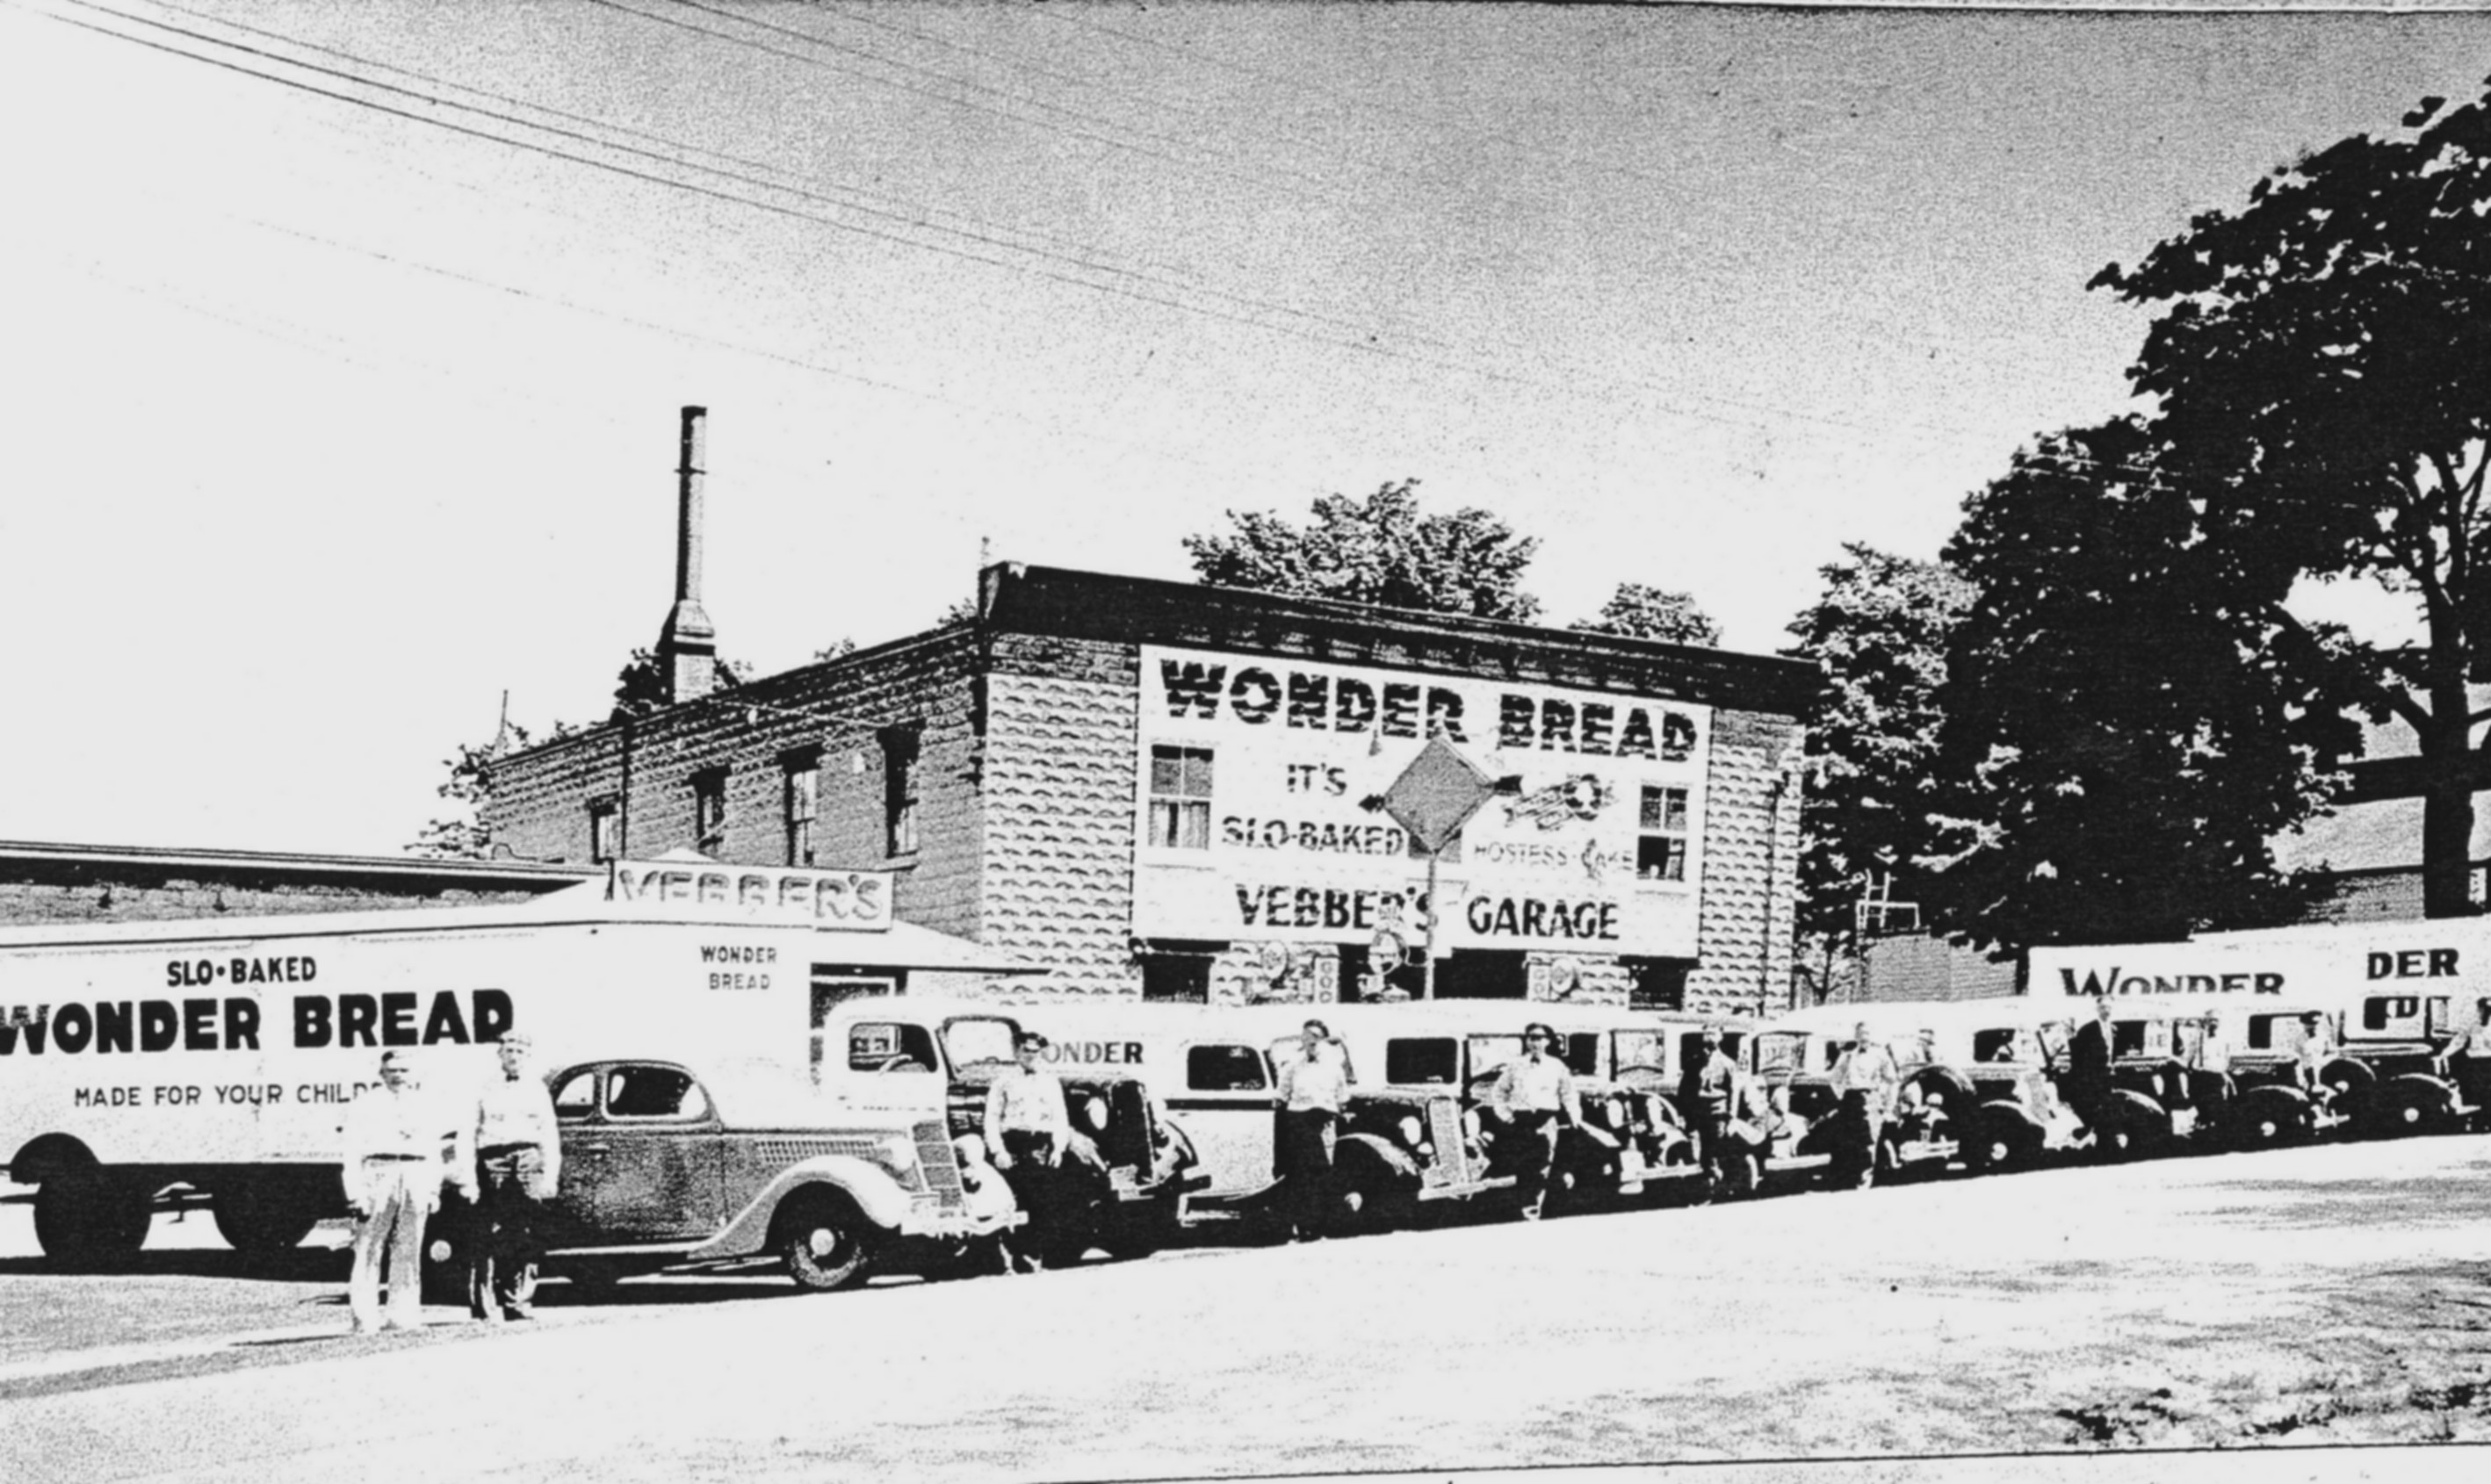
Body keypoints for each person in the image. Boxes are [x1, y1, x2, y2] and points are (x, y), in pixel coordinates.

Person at [341, 1050, 453, 1334]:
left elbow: (434, 1149)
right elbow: (351, 1151)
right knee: (368, 1247)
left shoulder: (426, 1105)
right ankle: (364, 1318)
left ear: (412, 1074)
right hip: (379, 1171)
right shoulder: (365, 1104)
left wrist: (432, 1189)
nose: (398, 1075)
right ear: (381, 1073)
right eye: (392, 1070)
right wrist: (355, 1193)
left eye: (403, 1070)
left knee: (409, 1248)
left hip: (415, 1172)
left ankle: (402, 1316)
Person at [458, 1034, 561, 1324]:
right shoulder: (484, 1088)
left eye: (519, 1051)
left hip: (528, 1159)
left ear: (527, 1056)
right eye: (508, 1051)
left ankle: (519, 1302)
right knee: (489, 1232)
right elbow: (468, 1133)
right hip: (493, 1159)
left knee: (525, 1232)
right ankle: (484, 1306)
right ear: (499, 1055)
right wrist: (468, 1178)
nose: (514, 1056)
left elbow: (548, 1135)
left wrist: (550, 1176)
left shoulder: (537, 1089)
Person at [983, 1031, 1071, 1271]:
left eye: (1035, 1051)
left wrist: (1058, 1148)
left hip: (1040, 1145)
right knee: (1010, 1201)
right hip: (1013, 1143)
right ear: (1016, 1052)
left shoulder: (1049, 1082)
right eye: (1025, 1050)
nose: (1030, 1055)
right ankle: (1009, 1256)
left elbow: (1060, 1117)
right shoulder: (1003, 1082)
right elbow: (991, 1119)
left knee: (1041, 1202)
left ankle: (1034, 1254)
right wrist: (998, 1151)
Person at [1490, 1022, 1578, 1220]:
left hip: (1546, 1118)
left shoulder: (1556, 1066)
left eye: (1540, 1038)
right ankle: (1525, 1202)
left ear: (1548, 1041)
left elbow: (1569, 1093)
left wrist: (1574, 1116)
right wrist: (1506, 1115)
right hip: (1521, 1119)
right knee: (1523, 1162)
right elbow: (1499, 1091)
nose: (1535, 1042)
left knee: (1545, 1161)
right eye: (1531, 1038)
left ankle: (1537, 1203)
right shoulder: (1515, 1065)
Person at [1274, 1019, 1348, 1241]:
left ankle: (1323, 1225)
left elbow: (1342, 1096)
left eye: (1315, 1037)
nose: (1310, 1041)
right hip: (1298, 1120)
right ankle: (1304, 1226)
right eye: (1306, 1037)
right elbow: (1281, 1093)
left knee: (1323, 1173)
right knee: (1301, 1175)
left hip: (1323, 1120)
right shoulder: (1294, 1065)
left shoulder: (1334, 1066)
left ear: (1324, 1040)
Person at [1828, 1023, 1898, 1189]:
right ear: (1856, 1036)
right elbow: (1834, 1079)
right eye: (1860, 1033)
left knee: (1869, 1139)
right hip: (1851, 1098)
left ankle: (1865, 1178)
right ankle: (1849, 1176)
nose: (1863, 1037)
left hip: (1871, 1097)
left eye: (1867, 1033)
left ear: (1872, 1035)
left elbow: (1891, 1080)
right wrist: (1842, 1095)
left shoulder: (1880, 1055)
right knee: (1850, 1138)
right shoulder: (1848, 1056)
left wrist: (1886, 1102)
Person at [1678, 1027, 1738, 1195]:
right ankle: (1698, 1183)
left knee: (1714, 1149)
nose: (1710, 1037)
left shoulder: (1728, 1064)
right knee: (1695, 1147)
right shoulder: (1693, 1063)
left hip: (1717, 1112)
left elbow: (1734, 1091)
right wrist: (1682, 1113)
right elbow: (1684, 1090)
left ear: (1720, 1037)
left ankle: (1715, 1185)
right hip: (1697, 1112)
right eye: (1707, 1033)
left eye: (1713, 1033)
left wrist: (1731, 1118)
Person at [2064, 995, 2117, 1141]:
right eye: (2102, 1007)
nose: (2106, 1011)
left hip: (2108, 1074)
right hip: (2092, 1076)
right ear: (2097, 1009)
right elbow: (2077, 1054)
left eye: (2109, 1007)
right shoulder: (2088, 1030)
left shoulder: (2114, 1029)